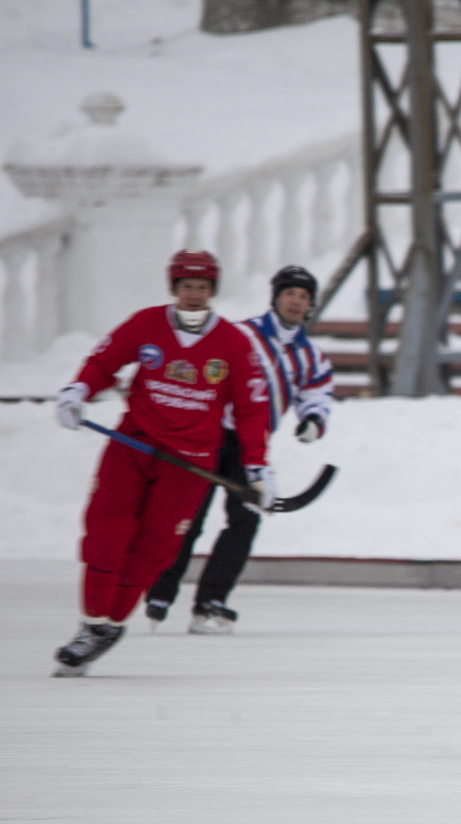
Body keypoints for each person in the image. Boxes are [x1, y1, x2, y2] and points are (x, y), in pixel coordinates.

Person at [50, 249, 274, 677]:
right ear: (174, 287)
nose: (194, 294)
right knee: (106, 532)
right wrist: (78, 390)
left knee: (154, 550)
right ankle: (91, 623)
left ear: (212, 290)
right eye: (187, 285)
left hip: (189, 463)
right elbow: (105, 361)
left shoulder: (232, 343)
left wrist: (259, 467)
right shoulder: (146, 324)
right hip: (134, 445)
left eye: (202, 287)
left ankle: (112, 624)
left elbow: (251, 410)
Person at [145, 265, 334, 634]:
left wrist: (313, 420)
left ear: (310, 304)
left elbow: (318, 393)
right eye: (289, 293)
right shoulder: (240, 334)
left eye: (303, 296)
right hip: (209, 435)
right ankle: (159, 592)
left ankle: (210, 603)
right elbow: (200, 368)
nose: (295, 301)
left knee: (245, 520)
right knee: (188, 517)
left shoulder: (311, 355)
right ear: (275, 297)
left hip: (251, 447)